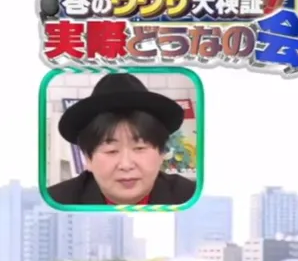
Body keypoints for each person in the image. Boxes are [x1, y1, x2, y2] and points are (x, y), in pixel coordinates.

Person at [46, 73, 196, 206]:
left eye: (139, 148)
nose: (126, 165)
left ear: (161, 153)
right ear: (88, 159)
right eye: (111, 151)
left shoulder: (192, 199)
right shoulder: (55, 203)